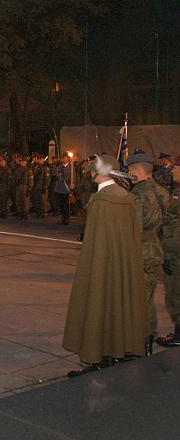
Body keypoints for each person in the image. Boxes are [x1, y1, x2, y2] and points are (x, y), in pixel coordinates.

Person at [63, 155, 150, 376]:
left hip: (102, 263)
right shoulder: (127, 197)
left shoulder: (101, 202)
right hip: (123, 263)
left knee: (99, 299)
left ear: (98, 172)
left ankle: (98, 352)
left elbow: (96, 244)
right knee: (120, 299)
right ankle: (121, 347)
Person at [127, 153, 170, 354]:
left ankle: (144, 338)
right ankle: (148, 336)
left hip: (141, 249)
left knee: (140, 298)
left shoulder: (137, 194)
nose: (128, 172)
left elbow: (135, 226)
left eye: (130, 169)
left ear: (137, 169)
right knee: (149, 295)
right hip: (156, 246)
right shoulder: (162, 191)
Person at [158, 166, 180, 348]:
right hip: (173, 249)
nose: (173, 170)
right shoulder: (174, 191)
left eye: (176, 167)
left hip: (176, 252)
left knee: (176, 291)